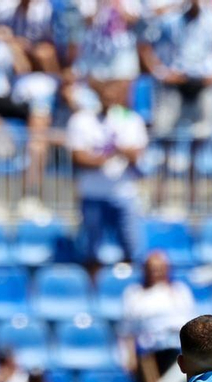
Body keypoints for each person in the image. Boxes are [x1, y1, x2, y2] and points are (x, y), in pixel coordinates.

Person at [66, 77, 147, 270]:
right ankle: (93, 286)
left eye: (113, 96)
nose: (109, 100)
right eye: (105, 95)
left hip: (123, 193)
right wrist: (112, 155)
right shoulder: (81, 120)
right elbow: (78, 158)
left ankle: (128, 283)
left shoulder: (130, 119)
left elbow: (136, 154)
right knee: (91, 250)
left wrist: (107, 154)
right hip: (92, 195)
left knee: (131, 248)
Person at [139, 0, 212, 139]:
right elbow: (145, 45)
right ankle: (166, 153)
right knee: (164, 130)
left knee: (205, 132)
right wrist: (162, 73)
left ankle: (198, 153)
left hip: (205, 82)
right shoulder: (170, 20)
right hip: (175, 82)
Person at [121, 251, 195, 382]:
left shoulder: (179, 291)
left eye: (160, 268)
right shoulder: (135, 293)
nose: (156, 272)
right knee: (146, 361)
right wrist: (129, 356)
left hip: (176, 349)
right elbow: (127, 330)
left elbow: (190, 324)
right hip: (147, 351)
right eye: (152, 268)